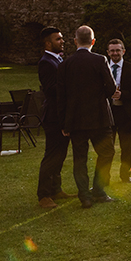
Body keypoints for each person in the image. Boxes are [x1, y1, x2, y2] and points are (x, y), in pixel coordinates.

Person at [57, 25, 117, 208]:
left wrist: (64, 123)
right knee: (107, 153)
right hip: (99, 116)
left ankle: (85, 196)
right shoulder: (100, 60)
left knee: (80, 159)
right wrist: (100, 95)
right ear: (93, 41)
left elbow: (61, 96)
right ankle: (98, 190)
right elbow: (112, 88)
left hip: (76, 119)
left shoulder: (65, 64)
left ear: (75, 41)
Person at [35, 26, 77, 209]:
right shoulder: (46, 63)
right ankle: (43, 195)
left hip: (63, 114)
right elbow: (51, 90)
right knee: (52, 155)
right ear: (48, 43)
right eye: (58, 39)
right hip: (54, 117)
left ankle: (56, 189)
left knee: (60, 154)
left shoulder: (58, 60)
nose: (62, 41)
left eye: (62, 38)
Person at [107, 38, 131, 184]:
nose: (115, 53)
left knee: (127, 148)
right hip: (108, 113)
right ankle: (104, 179)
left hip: (126, 114)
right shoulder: (103, 68)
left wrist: (123, 95)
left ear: (123, 51)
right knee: (106, 149)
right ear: (108, 52)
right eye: (112, 50)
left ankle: (125, 176)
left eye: (118, 50)